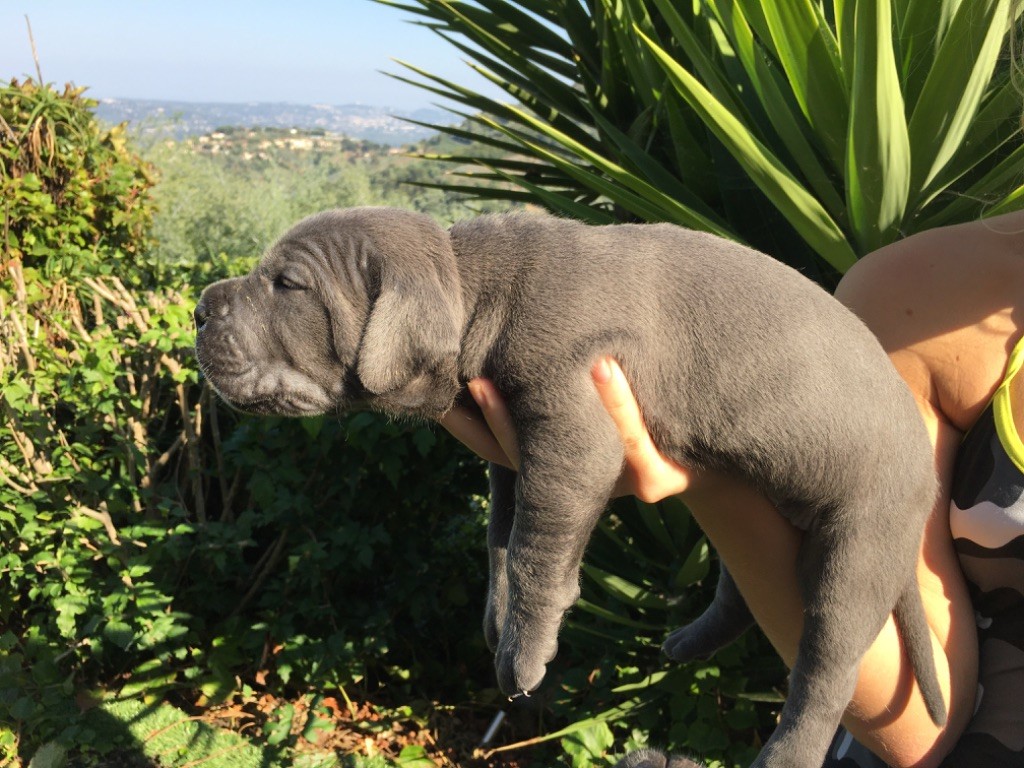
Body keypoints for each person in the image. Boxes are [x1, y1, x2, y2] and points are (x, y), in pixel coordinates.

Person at [440, 208, 1024, 768]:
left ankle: (794, 735)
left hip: (864, 496)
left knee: (842, 588)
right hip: (803, 474)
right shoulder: (919, 291)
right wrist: (702, 480)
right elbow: (926, 724)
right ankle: (726, 615)